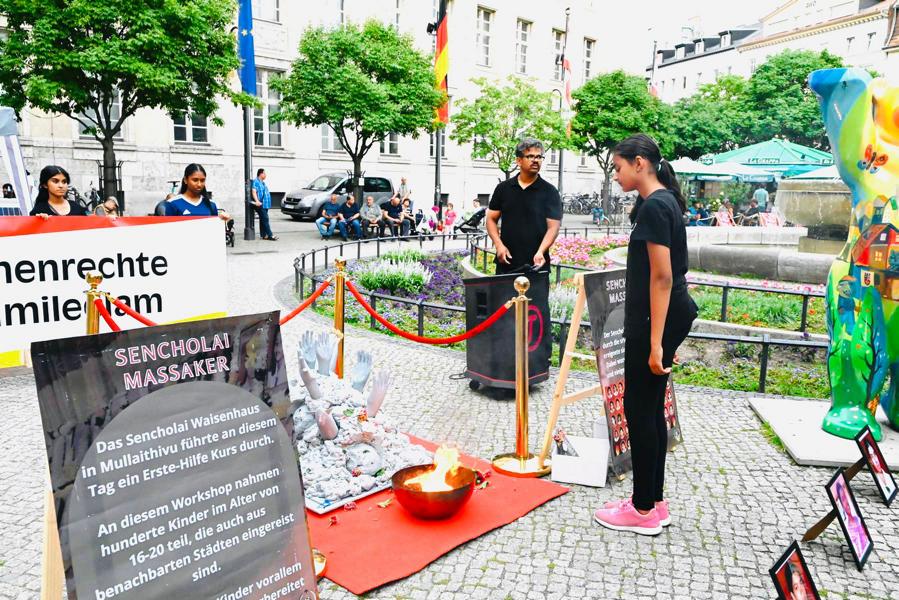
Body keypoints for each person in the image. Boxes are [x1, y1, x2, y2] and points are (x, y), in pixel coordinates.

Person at [592, 134, 697, 536]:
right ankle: (653, 501)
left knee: (638, 410)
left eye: (618, 167)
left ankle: (642, 510)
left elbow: (662, 276)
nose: (615, 175)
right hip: (664, 317)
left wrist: (656, 342)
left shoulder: (655, 205)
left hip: (654, 320)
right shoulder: (663, 201)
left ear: (639, 163)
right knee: (650, 409)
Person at [486, 138, 562, 273]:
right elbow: (491, 219)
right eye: (530, 156)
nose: (535, 160)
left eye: (539, 157)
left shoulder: (550, 191)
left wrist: (541, 251)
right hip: (506, 263)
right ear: (519, 160)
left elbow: (553, 228)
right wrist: (499, 245)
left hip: (537, 265)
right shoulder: (503, 188)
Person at [164, 164, 230, 221]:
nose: (199, 184)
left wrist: (222, 220)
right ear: (185, 180)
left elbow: (214, 229)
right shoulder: (172, 203)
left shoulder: (211, 205)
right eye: (195, 180)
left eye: (202, 180)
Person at [252, 168, 277, 241]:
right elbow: (254, 192)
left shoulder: (263, 183)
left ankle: (263, 235)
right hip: (260, 204)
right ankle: (270, 235)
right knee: (265, 219)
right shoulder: (256, 181)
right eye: (264, 173)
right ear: (261, 174)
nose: (266, 175)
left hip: (265, 204)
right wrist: (257, 201)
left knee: (263, 219)